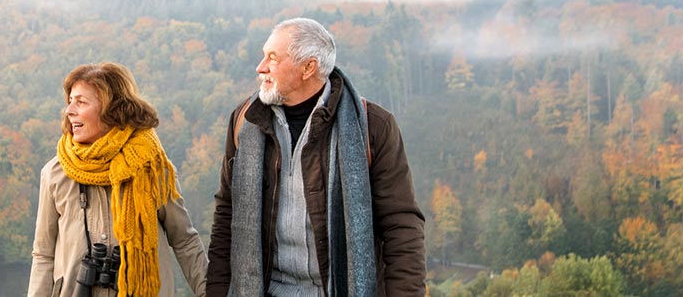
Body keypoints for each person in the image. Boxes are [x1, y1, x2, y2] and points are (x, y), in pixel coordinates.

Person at [205, 18, 425, 297]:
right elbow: (227, 216)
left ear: (308, 67)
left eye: (273, 58)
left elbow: (401, 226)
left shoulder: (373, 127)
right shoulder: (245, 121)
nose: (260, 68)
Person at [29, 62, 207, 297]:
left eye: (81, 102)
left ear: (112, 108)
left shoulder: (151, 167)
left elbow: (184, 241)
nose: (69, 110)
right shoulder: (55, 173)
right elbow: (44, 255)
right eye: (70, 101)